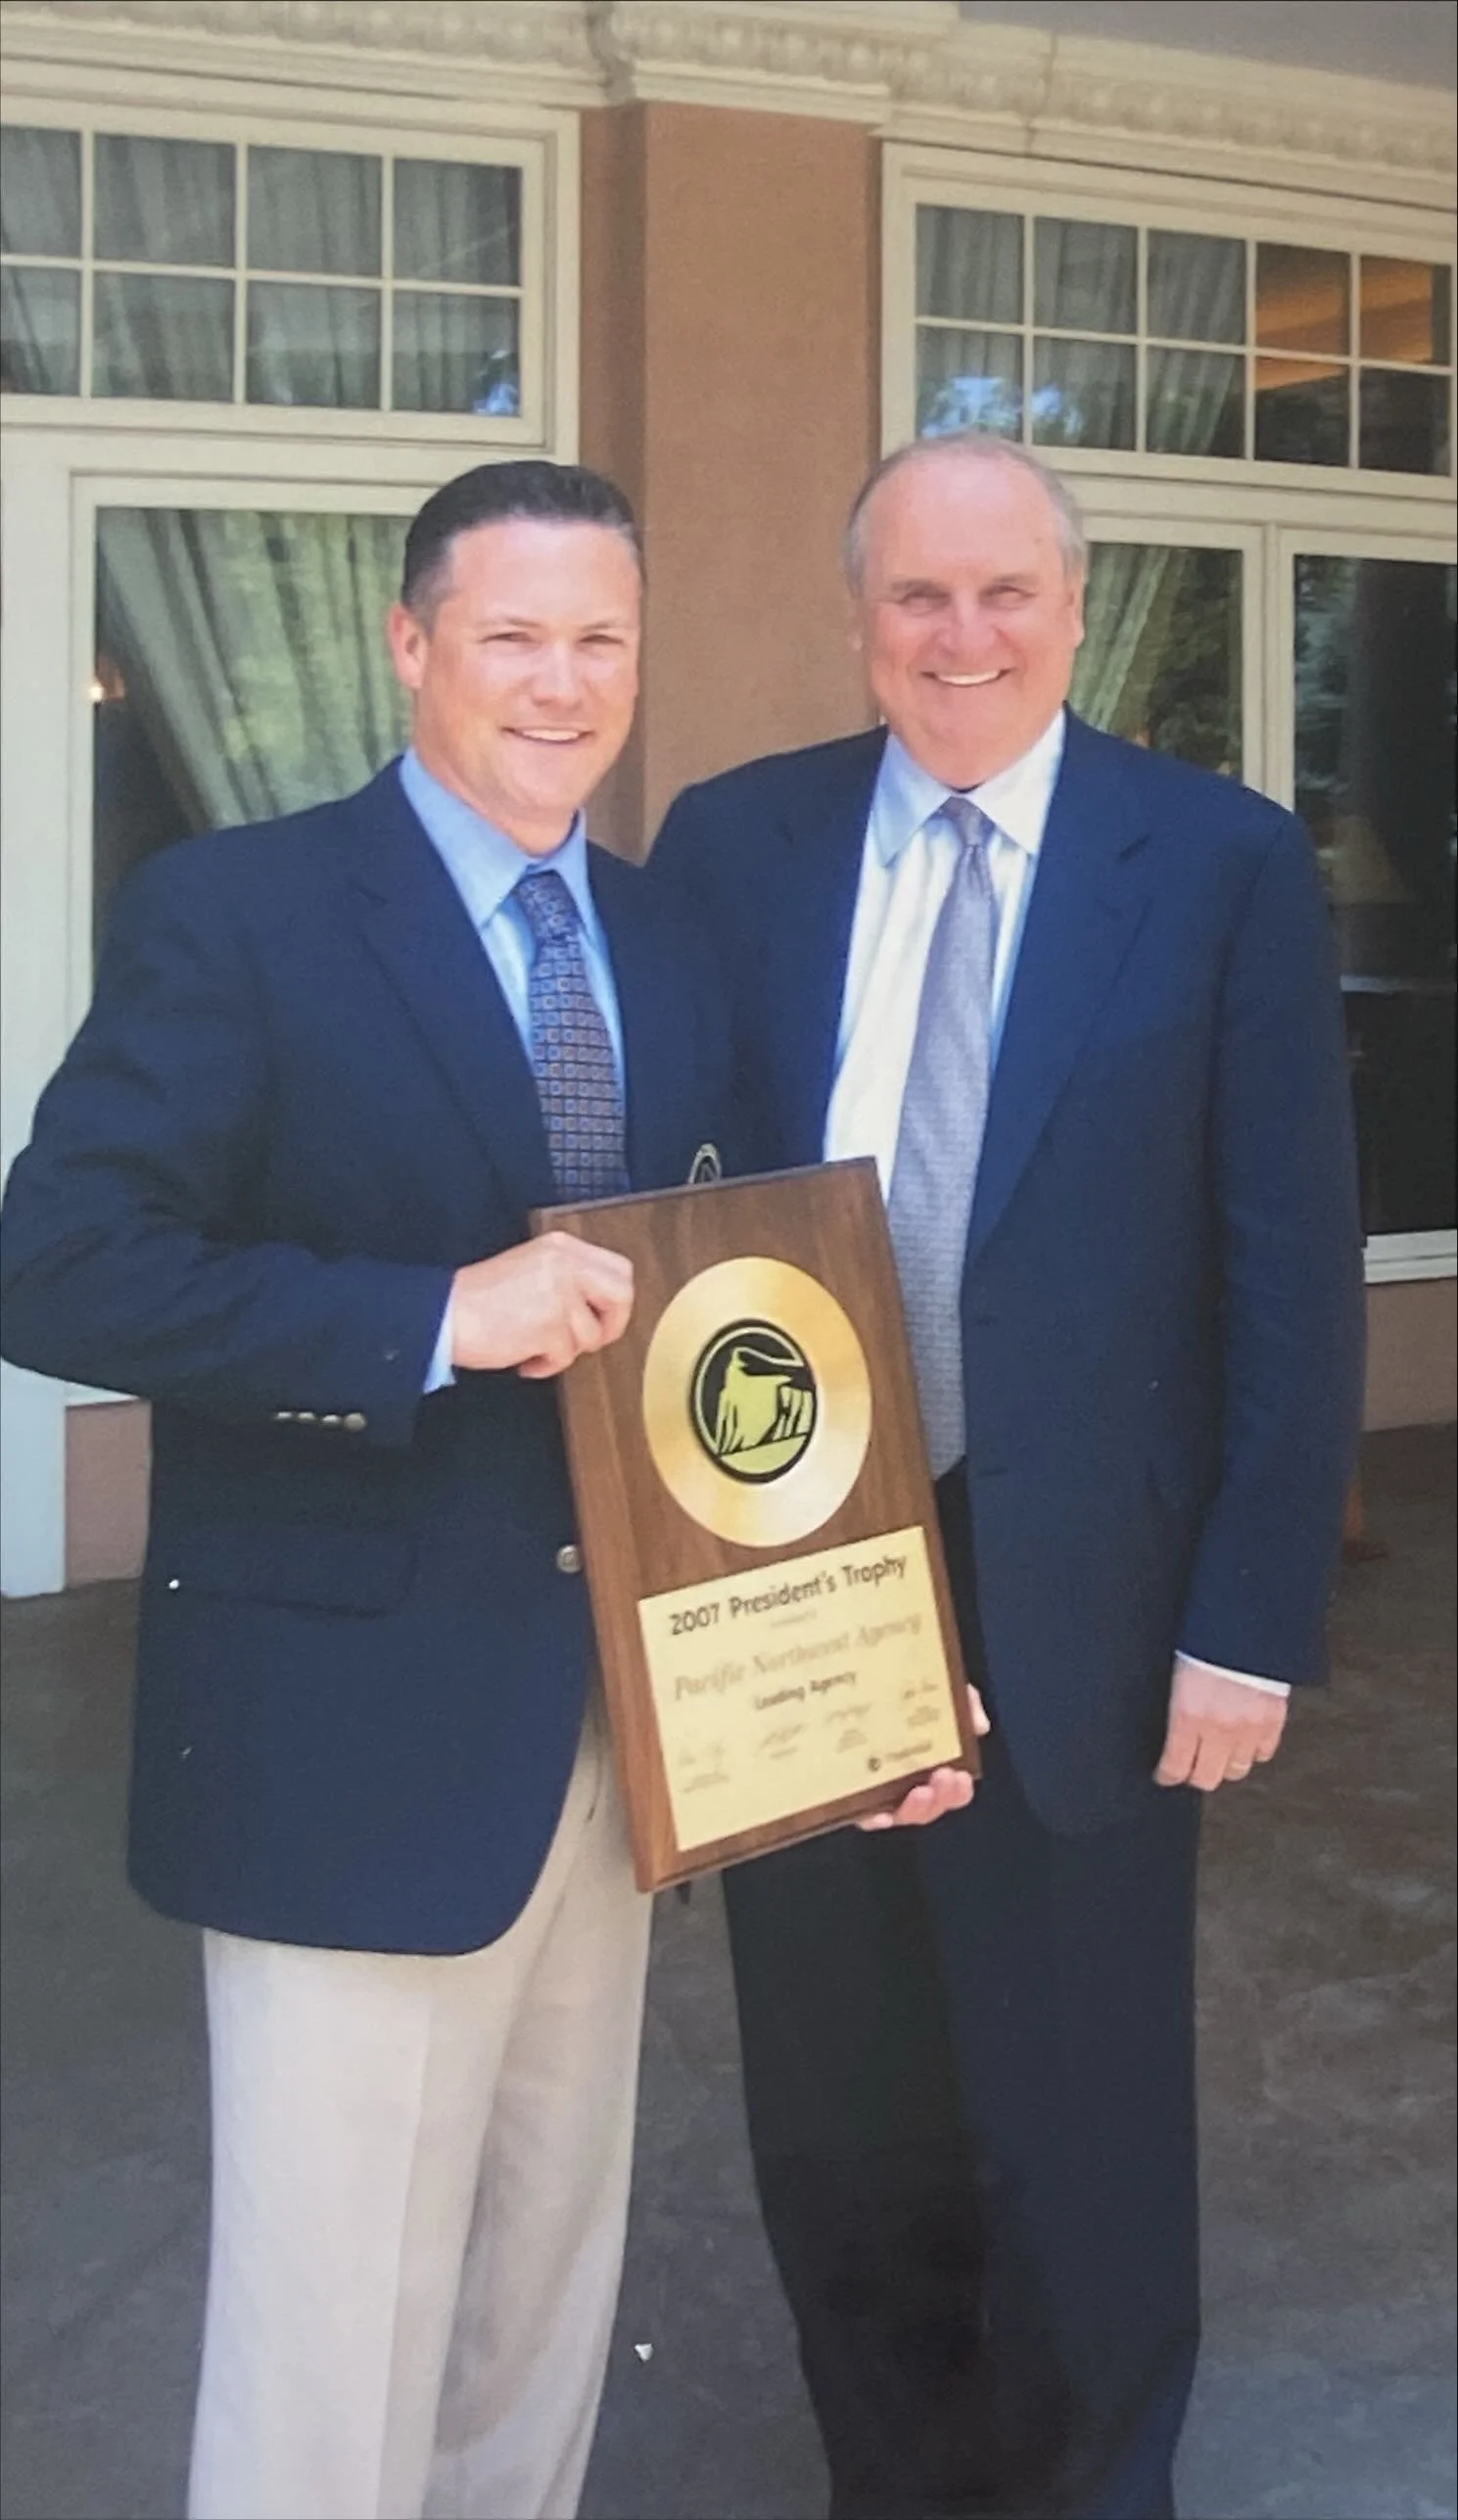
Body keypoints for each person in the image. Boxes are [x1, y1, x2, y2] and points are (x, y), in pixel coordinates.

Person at [0, 459, 743, 2520]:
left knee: (540, 2293)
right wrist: (430, 1314)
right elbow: (56, 1255)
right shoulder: (240, 911)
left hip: (614, 1728)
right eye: (511, 633)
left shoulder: (671, 939)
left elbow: (735, 1302)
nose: (559, 679)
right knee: (333, 2331)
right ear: (409, 643)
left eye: (599, 636)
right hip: (345, 1731)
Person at [650, 436, 1365, 2520]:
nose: (961, 639)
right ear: (857, 612)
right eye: (915, 599)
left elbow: (1290, 1272)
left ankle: (1092, 2483)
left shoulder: (1214, 859)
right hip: (798, 1565)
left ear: (1074, 605)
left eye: (1003, 596)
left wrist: (1249, 1616)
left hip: (1102, 1594)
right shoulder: (735, 840)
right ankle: (902, 2475)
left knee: (1086, 2119)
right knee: (841, 2108)